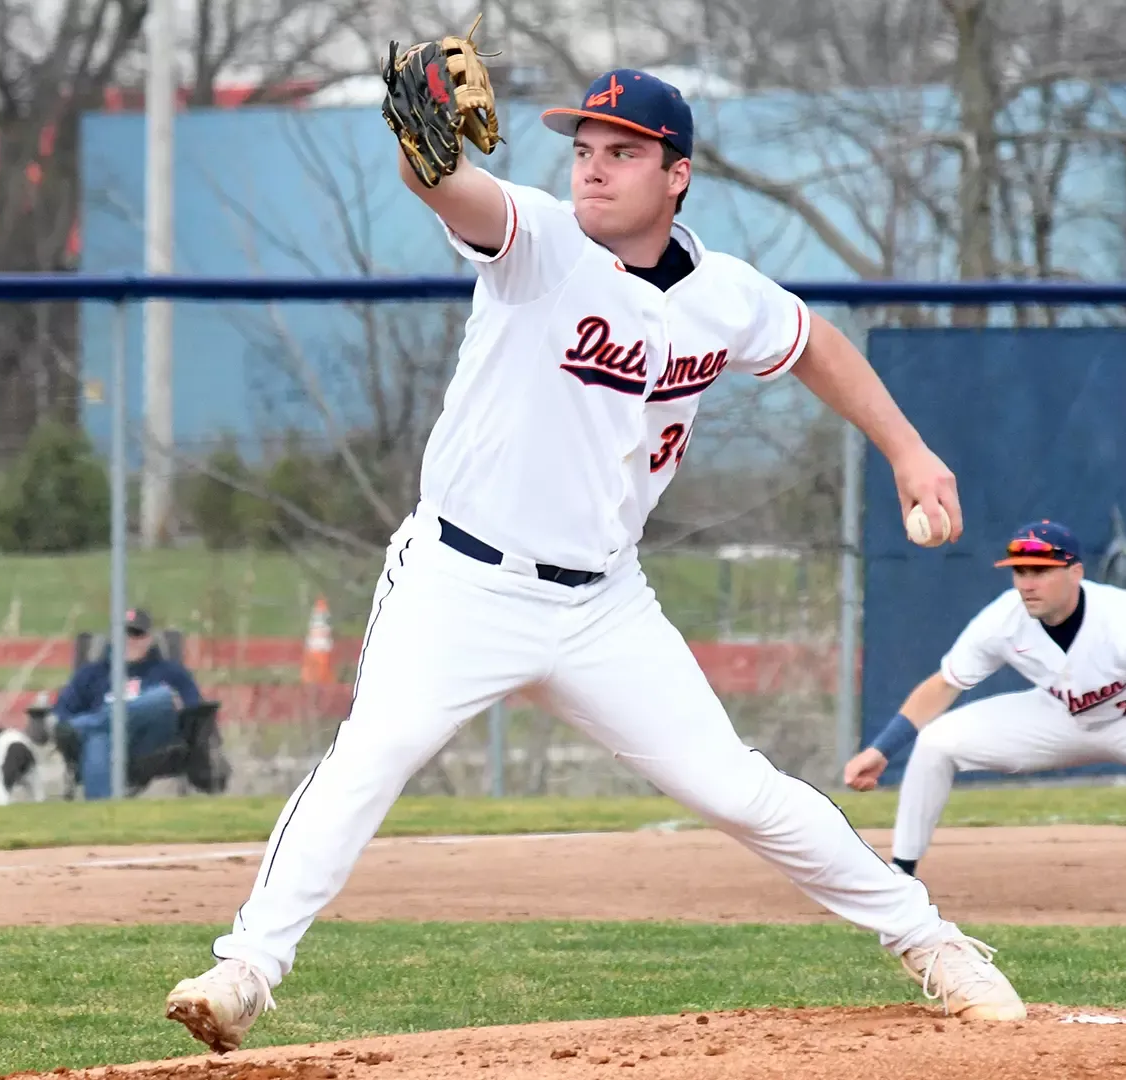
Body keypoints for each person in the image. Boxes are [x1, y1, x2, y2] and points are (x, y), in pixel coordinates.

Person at [161, 52, 1025, 1056]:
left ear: (678, 174)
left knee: (736, 789)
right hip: (460, 580)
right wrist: (422, 145)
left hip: (603, 605)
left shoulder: (725, 294)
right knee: (370, 756)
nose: (594, 168)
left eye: (623, 152)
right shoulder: (541, 245)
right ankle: (245, 972)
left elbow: (815, 344)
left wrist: (909, 452)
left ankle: (936, 946)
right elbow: (448, 186)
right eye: (584, 149)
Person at [844, 519, 1126, 910]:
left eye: (1041, 570)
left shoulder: (1123, 618)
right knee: (937, 741)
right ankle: (901, 874)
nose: (1027, 582)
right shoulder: (1003, 619)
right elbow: (943, 685)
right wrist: (882, 750)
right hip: (1055, 718)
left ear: (1075, 572)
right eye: (1020, 571)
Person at [52, 607, 204, 800]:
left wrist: (179, 705)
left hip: (152, 745)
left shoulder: (171, 672)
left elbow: (195, 707)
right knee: (98, 739)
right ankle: (104, 816)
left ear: (149, 638)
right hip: (106, 745)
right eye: (123, 633)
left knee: (162, 698)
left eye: (137, 633)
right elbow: (62, 714)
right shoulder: (90, 674)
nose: (129, 640)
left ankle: (99, 719)